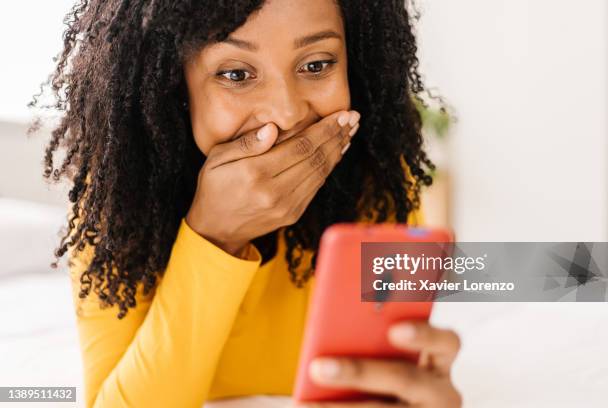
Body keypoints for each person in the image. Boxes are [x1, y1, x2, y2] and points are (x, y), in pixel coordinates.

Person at [32, 0, 461, 406]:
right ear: (171, 85)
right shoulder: (116, 203)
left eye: (316, 64)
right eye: (236, 74)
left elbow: (369, 378)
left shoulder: (380, 183)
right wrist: (215, 235)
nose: (288, 113)